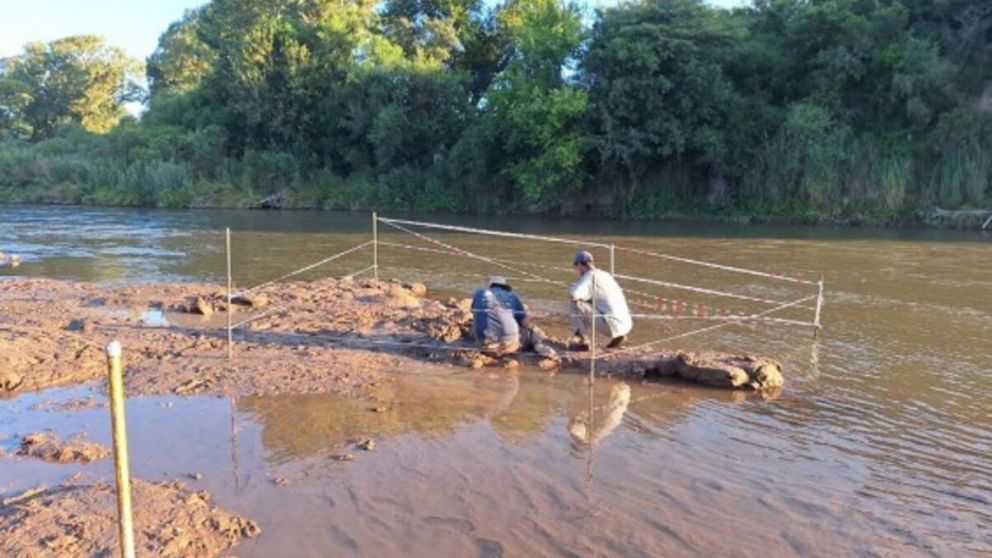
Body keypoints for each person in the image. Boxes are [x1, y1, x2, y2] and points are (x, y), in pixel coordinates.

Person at [471, 276, 558, 361]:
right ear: (505, 288)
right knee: (531, 333)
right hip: (508, 345)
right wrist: (530, 315)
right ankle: (539, 347)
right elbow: (525, 324)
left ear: (490, 286)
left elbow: (474, 312)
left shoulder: (479, 293)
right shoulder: (512, 296)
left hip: (484, 346)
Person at [569, 250, 632, 350]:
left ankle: (582, 341)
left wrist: (572, 287)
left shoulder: (589, 275)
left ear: (580, 264)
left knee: (576, 304)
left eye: (576, 266)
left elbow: (574, 295)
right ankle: (619, 336)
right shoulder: (605, 274)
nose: (576, 270)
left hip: (612, 326)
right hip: (626, 325)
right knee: (595, 303)